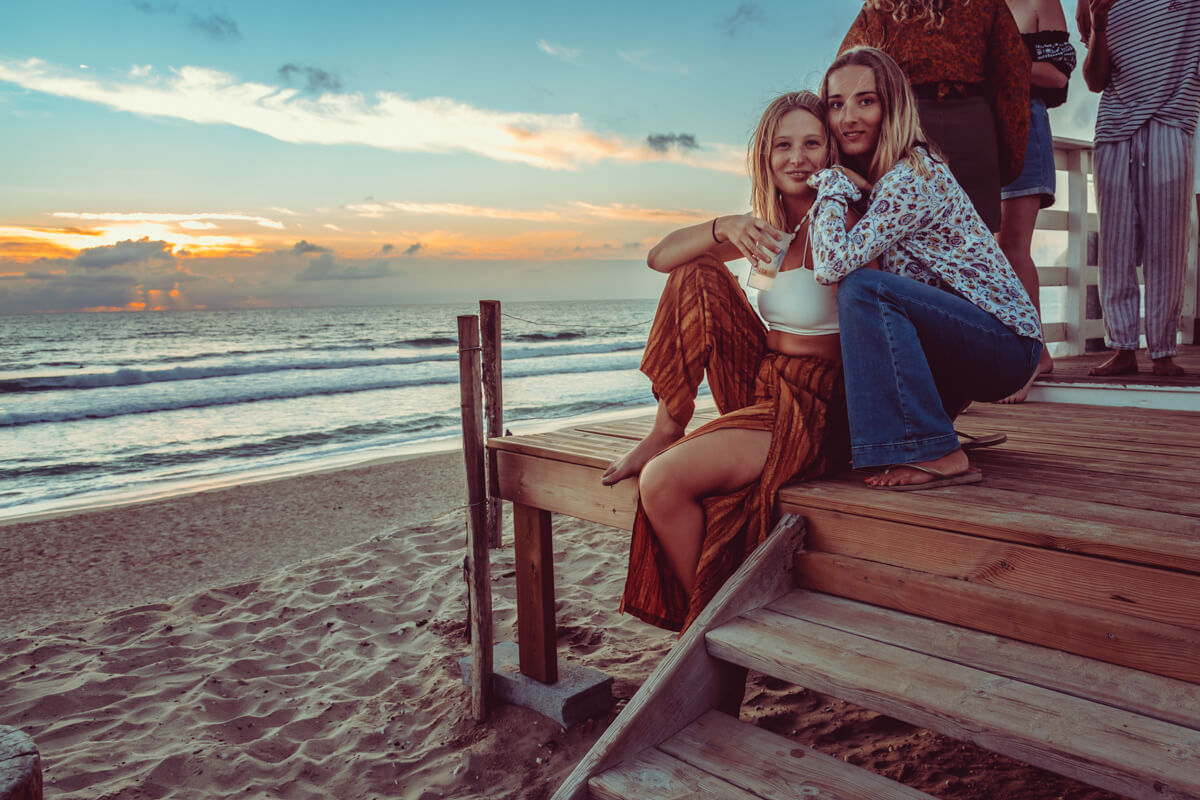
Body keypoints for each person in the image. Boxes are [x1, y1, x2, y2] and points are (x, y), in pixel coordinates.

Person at [601, 91, 854, 633]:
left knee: (663, 484)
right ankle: (666, 428)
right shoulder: (766, 231)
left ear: (831, 152)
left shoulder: (848, 221)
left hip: (817, 404)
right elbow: (659, 257)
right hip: (763, 380)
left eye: (812, 143)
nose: (798, 157)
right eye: (783, 145)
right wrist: (723, 227)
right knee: (694, 272)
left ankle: (708, 634)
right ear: (765, 156)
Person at [809, 46, 1043, 490]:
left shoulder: (910, 177)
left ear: (892, 106)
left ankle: (938, 453)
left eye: (866, 100)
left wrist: (833, 183)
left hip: (1006, 345)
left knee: (863, 288)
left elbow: (832, 264)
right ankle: (926, 432)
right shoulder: (884, 181)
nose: (848, 118)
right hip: (964, 342)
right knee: (839, 445)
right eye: (836, 104)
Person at [1078, 0, 1200, 377]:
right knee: (1115, 247)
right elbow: (1095, 82)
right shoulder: (1097, 2)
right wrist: (1098, 26)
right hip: (1114, 130)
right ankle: (1123, 348)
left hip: (1171, 122)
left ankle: (1163, 351)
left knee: (1168, 244)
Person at [839, 0, 1031, 233]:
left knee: (903, 237)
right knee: (973, 240)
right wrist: (1007, 159)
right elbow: (1013, 76)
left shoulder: (881, 5)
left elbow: (848, 68)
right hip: (972, 130)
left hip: (904, 127)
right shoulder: (987, 4)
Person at [996, 0, 1076, 402]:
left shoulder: (1041, 2)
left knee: (1012, 247)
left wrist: (993, 65)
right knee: (976, 251)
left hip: (1025, 126)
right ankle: (993, 355)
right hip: (976, 131)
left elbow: (1057, 74)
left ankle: (1034, 356)